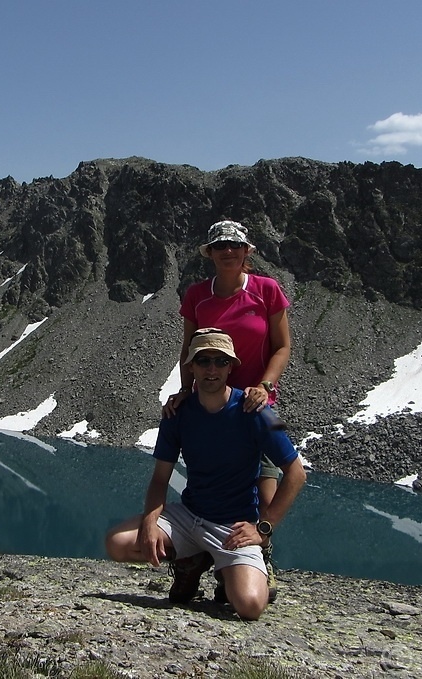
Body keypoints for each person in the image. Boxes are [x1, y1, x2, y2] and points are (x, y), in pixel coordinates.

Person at [105, 329, 306, 620]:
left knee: (250, 606)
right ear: (191, 367)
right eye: (203, 361)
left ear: (231, 367)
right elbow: (160, 478)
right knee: (117, 543)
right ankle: (193, 558)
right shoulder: (177, 413)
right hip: (189, 518)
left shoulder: (258, 412)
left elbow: (296, 474)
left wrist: (263, 529)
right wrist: (150, 522)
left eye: (220, 361)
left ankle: (223, 566)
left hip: (233, 528)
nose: (212, 369)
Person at [163, 220, 292, 599]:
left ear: (247, 251)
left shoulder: (267, 290)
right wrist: (184, 391)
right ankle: (199, 558)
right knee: (212, 488)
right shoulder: (197, 295)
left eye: (235, 245)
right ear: (210, 252)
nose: (228, 251)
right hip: (211, 406)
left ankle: (258, 557)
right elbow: (188, 349)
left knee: (265, 496)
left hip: (257, 407)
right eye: (220, 245)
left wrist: (265, 387)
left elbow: (282, 346)